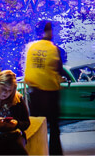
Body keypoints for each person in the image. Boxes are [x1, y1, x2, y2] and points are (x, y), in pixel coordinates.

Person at [24, 21, 70, 155]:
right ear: (49, 32)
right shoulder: (53, 48)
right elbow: (59, 69)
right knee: (54, 127)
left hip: (34, 92)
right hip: (50, 94)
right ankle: (55, 153)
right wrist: (64, 77)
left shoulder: (32, 48)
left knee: (36, 126)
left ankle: (35, 152)